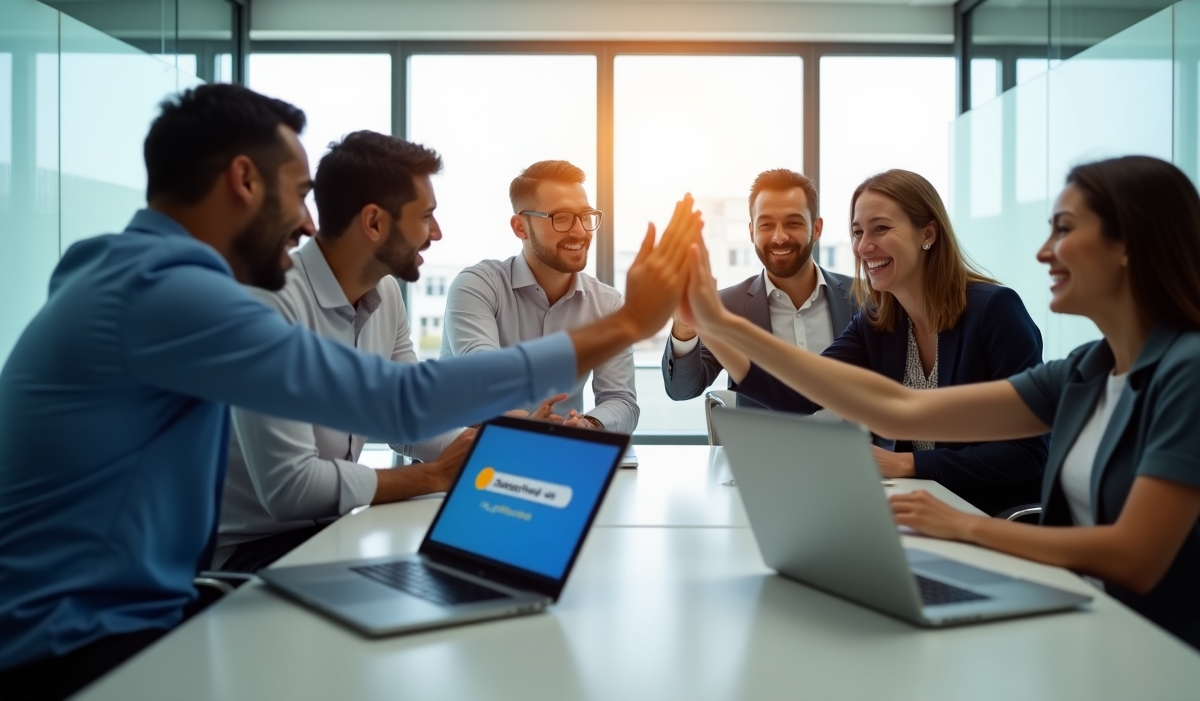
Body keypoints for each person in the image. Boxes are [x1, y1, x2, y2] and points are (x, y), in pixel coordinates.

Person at [0, 84, 702, 700]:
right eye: (300, 193)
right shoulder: (169, 292)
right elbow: (397, 403)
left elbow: (402, 406)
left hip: (133, 613)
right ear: (243, 180)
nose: (310, 220)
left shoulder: (126, 269)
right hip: (75, 648)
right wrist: (628, 325)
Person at [682, 155, 1200, 678]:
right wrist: (720, 322)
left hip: (1191, 657)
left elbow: (1136, 556)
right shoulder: (1085, 371)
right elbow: (897, 405)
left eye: (1064, 230)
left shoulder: (1199, 371)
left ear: (1129, 245)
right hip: (1095, 623)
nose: (1044, 251)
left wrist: (962, 526)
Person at [216, 131, 478, 573]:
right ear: (374, 223)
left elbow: (406, 418)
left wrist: (481, 447)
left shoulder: (386, 293)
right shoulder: (271, 301)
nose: (436, 233)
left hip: (335, 531)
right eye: (426, 217)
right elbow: (291, 490)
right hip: (253, 553)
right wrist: (433, 476)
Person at [727, 170, 1048, 515]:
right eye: (857, 232)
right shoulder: (878, 320)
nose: (864, 246)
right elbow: (805, 390)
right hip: (916, 509)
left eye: (880, 228)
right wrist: (713, 327)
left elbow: (1028, 453)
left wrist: (907, 464)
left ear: (928, 233)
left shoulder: (994, 311)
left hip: (992, 516)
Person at [442, 160, 638, 432]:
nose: (580, 231)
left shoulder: (607, 303)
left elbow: (621, 400)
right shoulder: (477, 286)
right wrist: (524, 427)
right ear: (520, 227)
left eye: (585, 216)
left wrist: (590, 425)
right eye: (561, 218)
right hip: (467, 455)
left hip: (557, 458)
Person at [661, 168, 855, 408]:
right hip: (761, 446)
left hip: (853, 445)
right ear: (752, 231)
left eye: (793, 223)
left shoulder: (862, 298)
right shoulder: (728, 306)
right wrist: (685, 329)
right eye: (766, 225)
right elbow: (682, 389)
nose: (779, 237)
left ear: (817, 228)